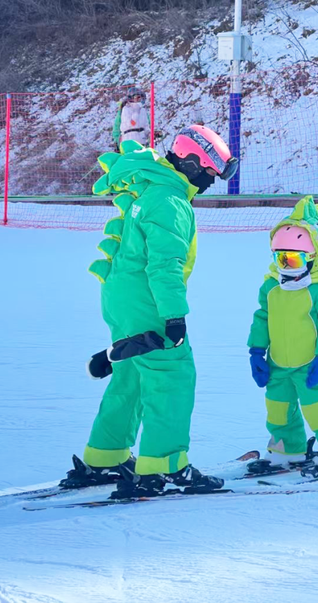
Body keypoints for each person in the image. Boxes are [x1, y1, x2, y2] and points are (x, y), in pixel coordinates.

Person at [59, 125, 238, 498]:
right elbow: (164, 265)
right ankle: (165, 466)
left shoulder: (152, 188)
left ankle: (105, 456)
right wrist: (174, 318)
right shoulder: (171, 202)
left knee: (132, 379)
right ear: (189, 163)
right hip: (148, 301)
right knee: (171, 376)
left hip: (120, 297)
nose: (209, 182)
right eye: (207, 173)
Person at [247, 195, 318, 471]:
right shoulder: (270, 289)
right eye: (280, 258)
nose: (285, 266)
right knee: (278, 407)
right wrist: (256, 351)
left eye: (293, 259)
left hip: (311, 363)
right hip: (278, 364)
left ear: (313, 258)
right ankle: (286, 446)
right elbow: (262, 318)